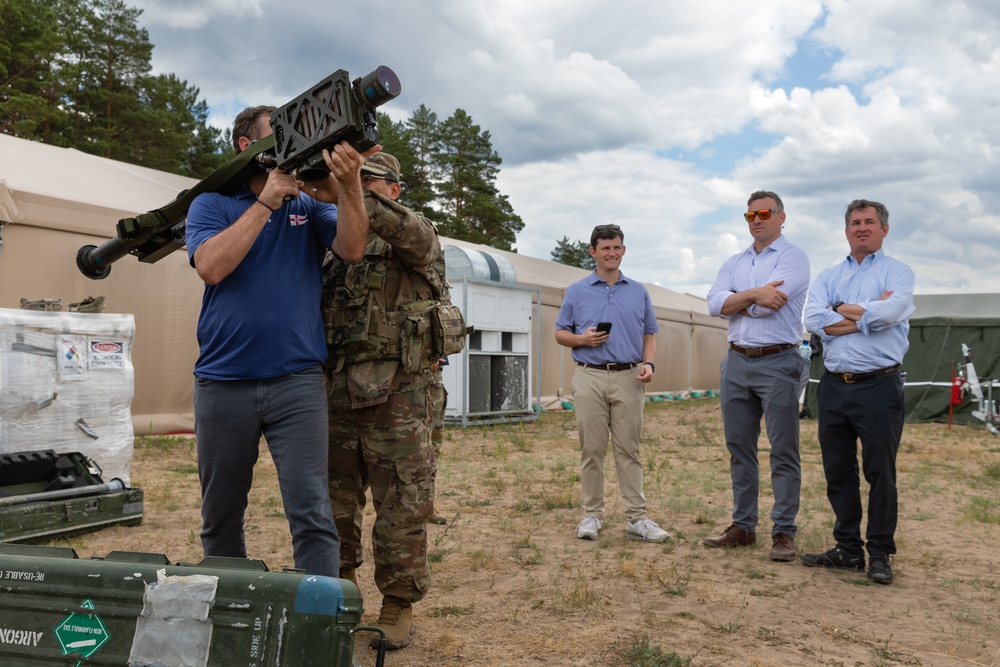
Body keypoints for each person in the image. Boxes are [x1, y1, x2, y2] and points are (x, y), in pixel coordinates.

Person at [185, 105, 375, 577]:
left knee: (312, 511)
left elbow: (352, 248)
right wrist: (266, 204)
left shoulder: (308, 206)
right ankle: (228, 615)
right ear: (247, 146)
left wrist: (349, 185)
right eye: (279, 134)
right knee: (221, 513)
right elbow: (211, 266)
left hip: (296, 382)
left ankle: (318, 624)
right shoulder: (211, 203)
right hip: (223, 383)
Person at [324, 153, 462, 649]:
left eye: (369, 181)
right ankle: (337, 595)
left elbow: (408, 232)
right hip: (336, 391)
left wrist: (349, 189)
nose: (354, 186)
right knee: (333, 502)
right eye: (350, 179)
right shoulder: (335, 242)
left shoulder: (415, 235)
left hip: (401, 395)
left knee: (403, 502)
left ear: (395, 190)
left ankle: (397, 604)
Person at [801, 199, 914, 585]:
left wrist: (842, 311)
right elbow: (813, 318)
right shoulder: (829, 275)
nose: (861, 228)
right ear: (846, 230)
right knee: (838, 470)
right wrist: (864, 316)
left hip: (879, 385)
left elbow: (892, 313)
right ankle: (847, 548)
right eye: (854, 222)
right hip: (834, 386)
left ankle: (880, 553)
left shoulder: (898, 273)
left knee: (880, 472)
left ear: (884, 228)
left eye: (869, 222)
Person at [704, 190, 810, 562]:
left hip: (779, 362)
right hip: (736, 362)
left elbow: (771, 307)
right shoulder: (734, 261)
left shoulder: (793, 258)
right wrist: (751, 295)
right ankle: (743, 527)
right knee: (740, 448)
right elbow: (713, 304)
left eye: (765, 213)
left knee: (783, 449)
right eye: (750, 215)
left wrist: (736, 302)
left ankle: (783, 532)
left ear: (782, 217)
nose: (757, 219)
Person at [554, 224, 669, 544]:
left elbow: (649, 334)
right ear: (593, 252)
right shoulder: (577, 291)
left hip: (629, 377)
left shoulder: (639, 291)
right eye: (605, 248)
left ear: (624, 250)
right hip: (589, 375)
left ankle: (637, 519)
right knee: (592, 450)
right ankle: (592, 515)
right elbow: (559, 332)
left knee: (628, 450)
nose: (612, 252)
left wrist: (649, 364)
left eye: (617, 247)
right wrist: (582, 339)